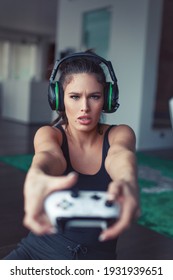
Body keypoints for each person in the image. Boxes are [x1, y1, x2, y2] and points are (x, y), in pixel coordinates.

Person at [4, 51, 139, 260]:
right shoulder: (49, 134)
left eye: (94, 96)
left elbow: (120, 156)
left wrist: (127, 179)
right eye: (74, 97)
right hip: (37, 252)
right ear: (59, 99)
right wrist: (37, 174)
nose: (84, 107)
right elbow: (49, 157)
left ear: (107, 99)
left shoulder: (120, 133)